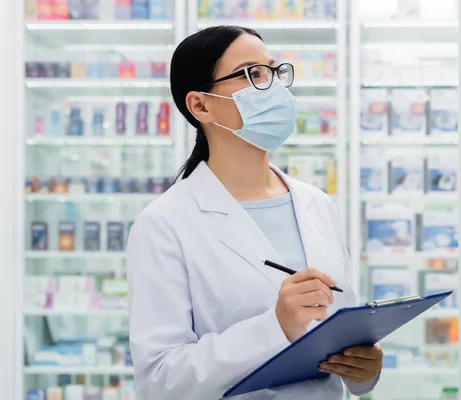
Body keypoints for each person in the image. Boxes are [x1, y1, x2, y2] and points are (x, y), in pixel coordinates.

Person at [126, 26, 382, 400]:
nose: (274, 88)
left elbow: (342, 326)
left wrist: (364, 368)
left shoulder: (316, 204)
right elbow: (161, 379)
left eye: (273, 71)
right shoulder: (164, 223)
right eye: (252, 75)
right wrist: (275, 327)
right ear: (200, 105)